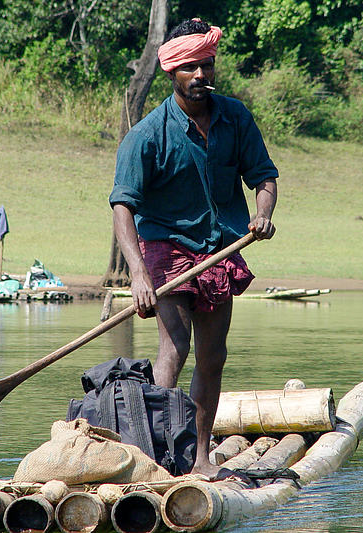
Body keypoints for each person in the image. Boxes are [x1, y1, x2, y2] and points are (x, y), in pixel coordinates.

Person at [109, 18, 278, 480]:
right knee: (175, 347)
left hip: (220, 247)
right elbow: (123, 206)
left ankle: (201, 457)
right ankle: (151, 456)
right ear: (172, 73)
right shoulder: (146, 135)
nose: (201, 75)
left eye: (207, 65)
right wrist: (139, 275)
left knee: (213, 355)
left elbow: (263, 175)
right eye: (191, 68)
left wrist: (261, 214)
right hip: (164, 248)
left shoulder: (236, 117)